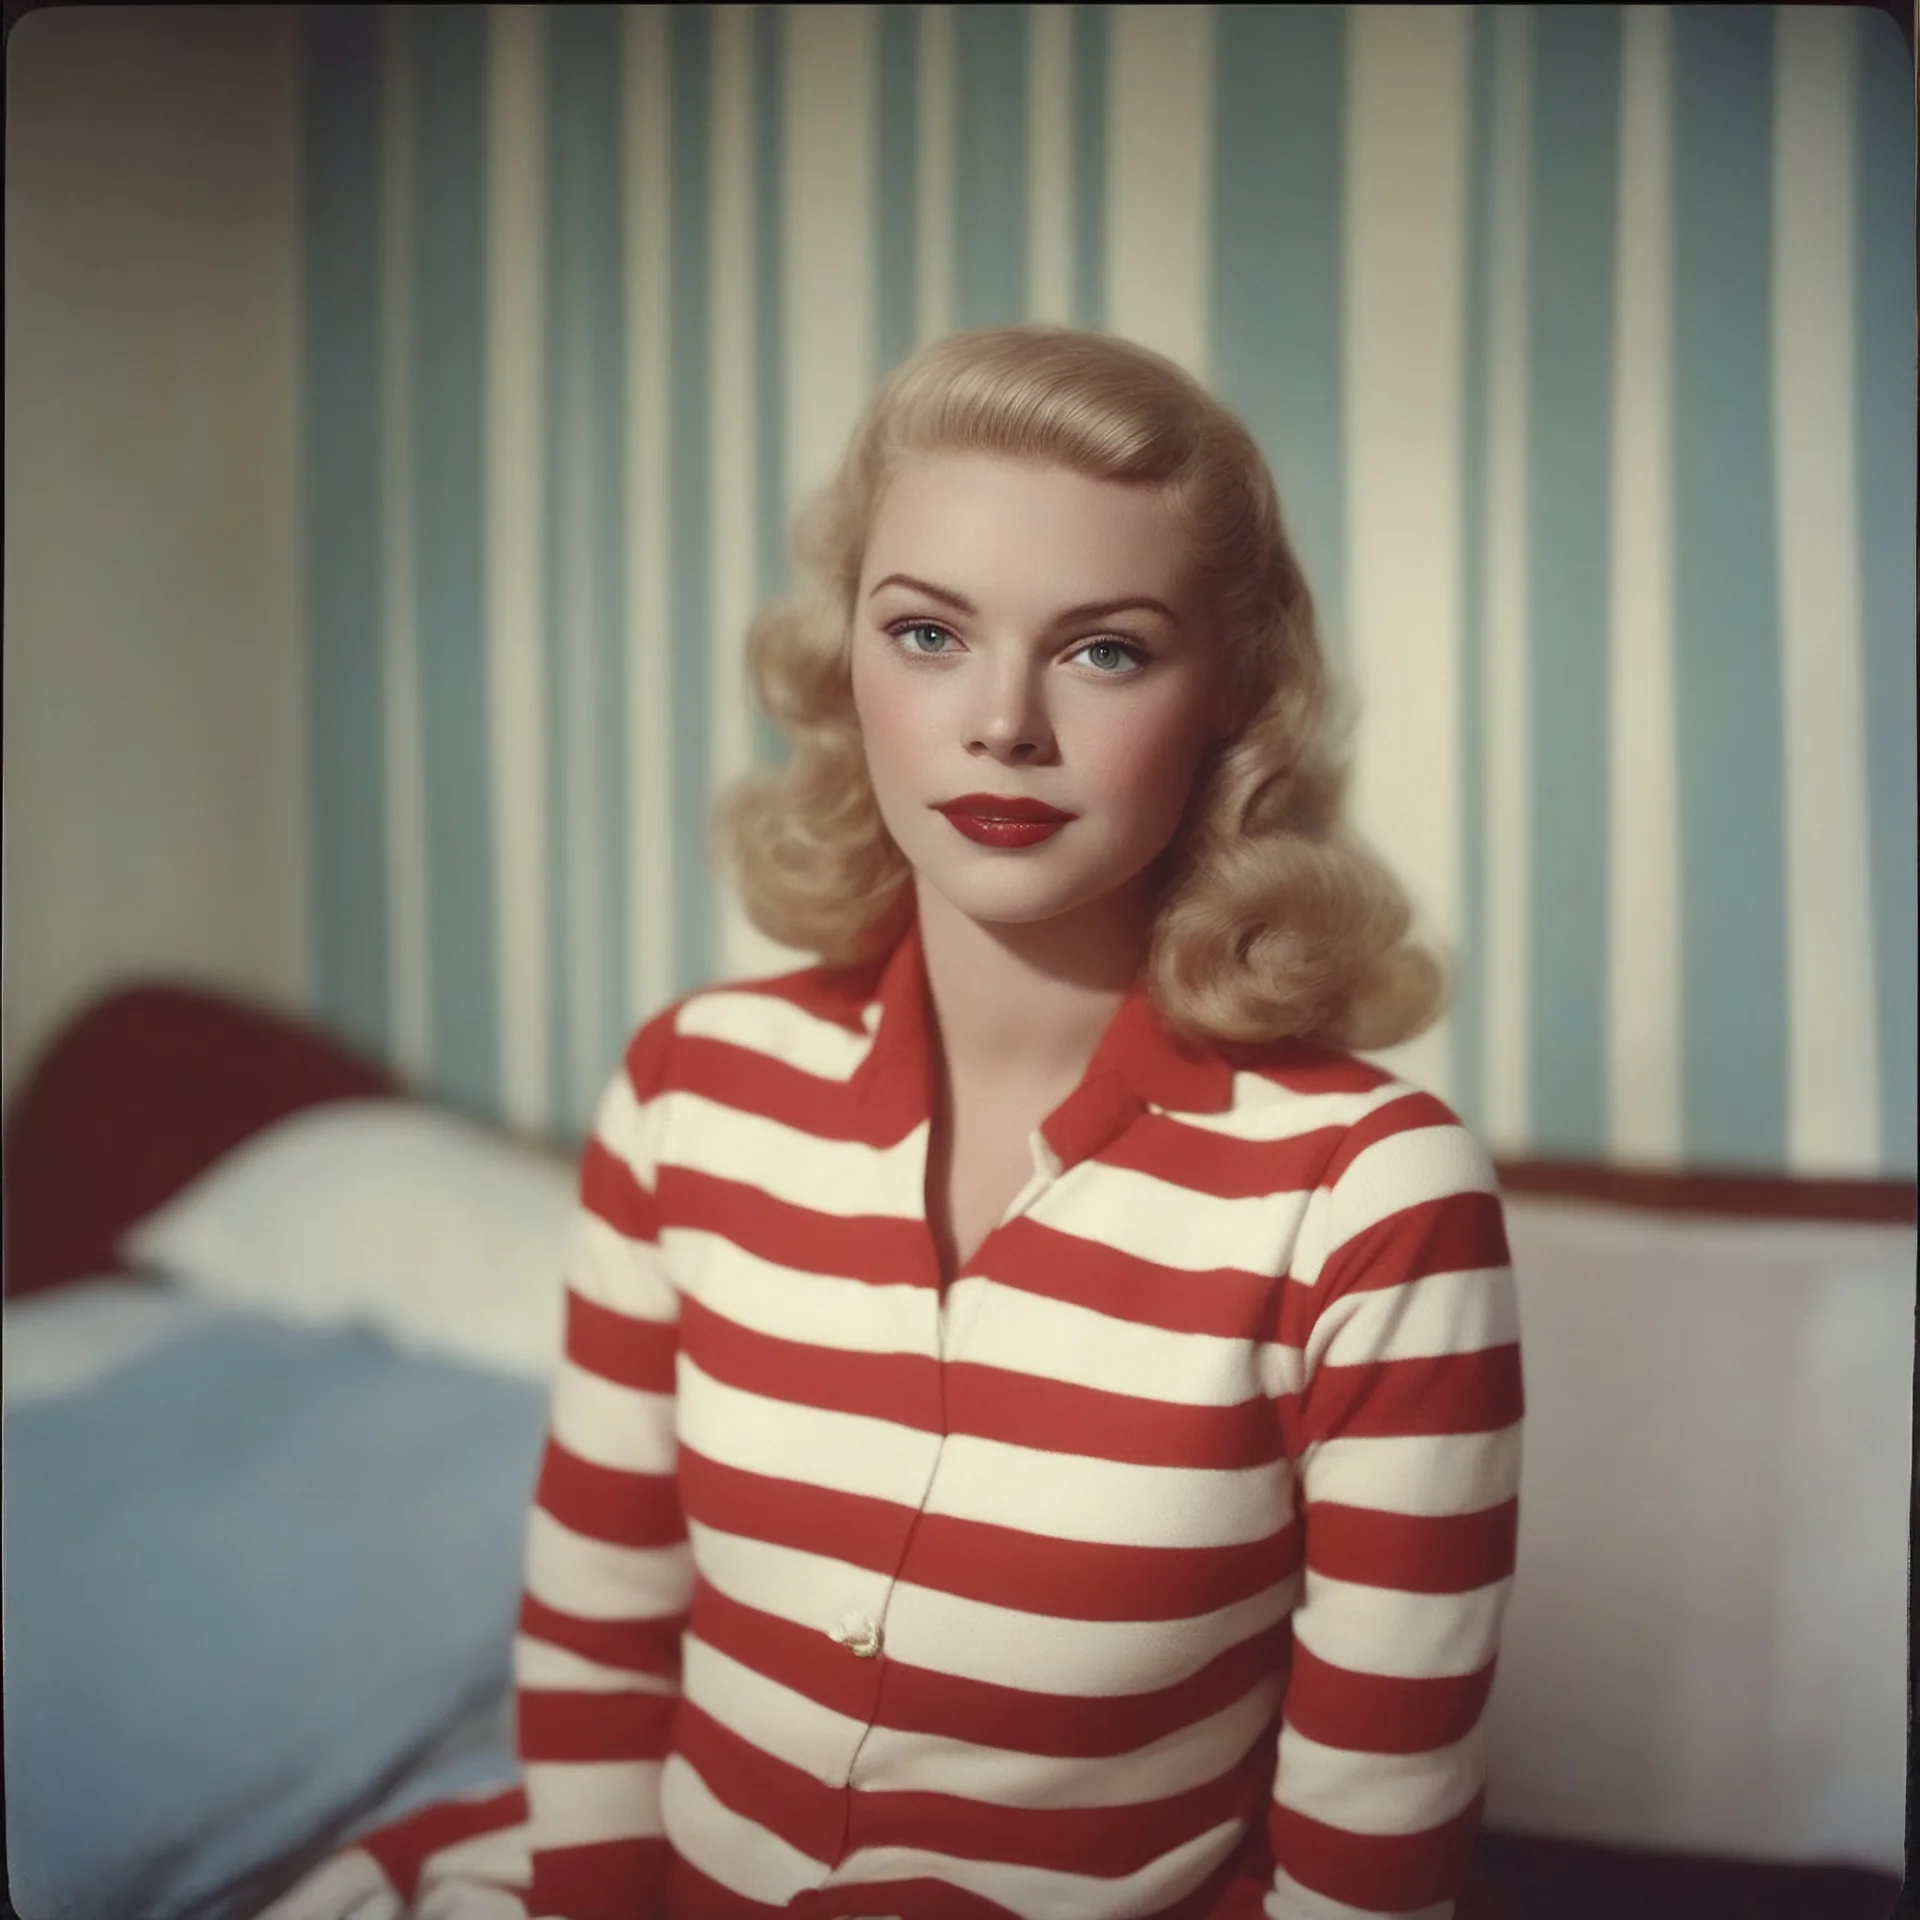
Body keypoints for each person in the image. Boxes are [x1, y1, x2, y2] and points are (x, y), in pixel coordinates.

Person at [268, 324, 1523, 1920]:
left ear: (1235, 703)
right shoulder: (687, 1094)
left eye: (1105, 650)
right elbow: (599, 1637)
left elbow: (1370, 1871)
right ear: (843, 664)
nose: (1004, 722)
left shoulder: (1373, 1197)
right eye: (929, 633)